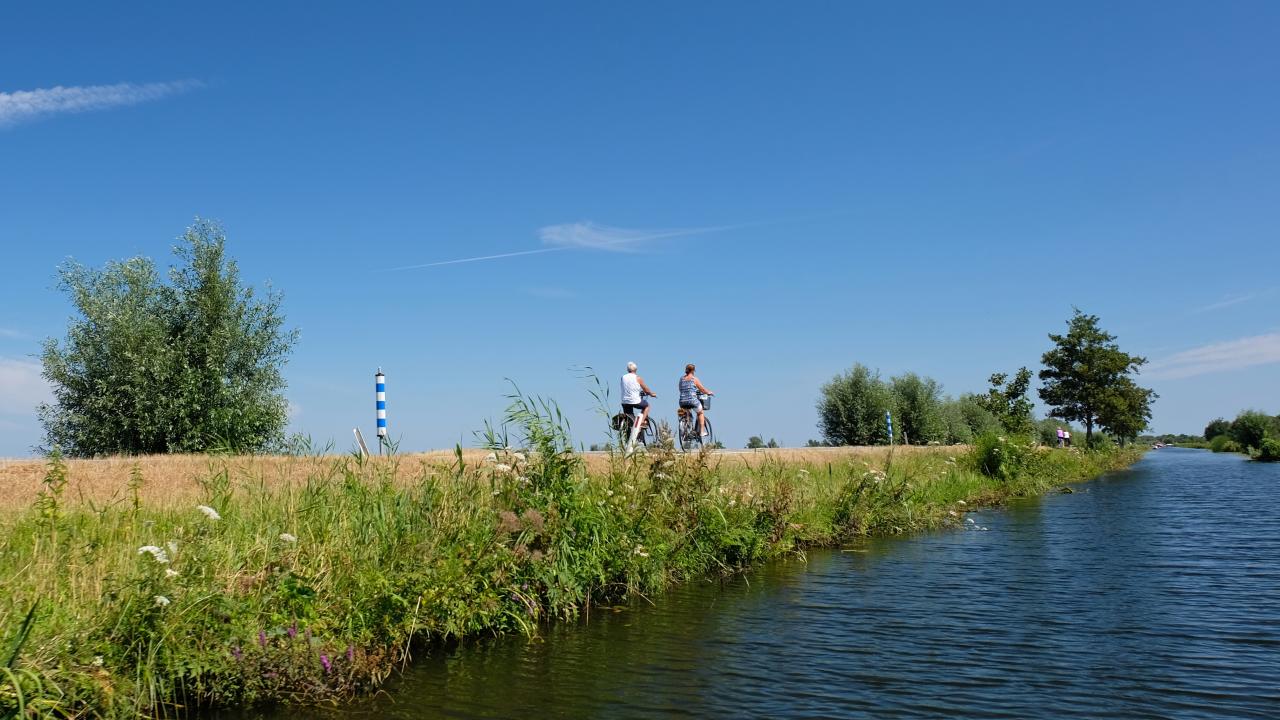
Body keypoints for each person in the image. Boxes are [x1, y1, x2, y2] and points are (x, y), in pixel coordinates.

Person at [620, 362, 656, 451]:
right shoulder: (638, 378)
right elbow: (645, 389)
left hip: (624, 401)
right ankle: (640, 424)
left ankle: (630, 440)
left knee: (630, 420)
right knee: (647, 406)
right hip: (635, 401)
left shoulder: (623, 377)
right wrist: (651, 394)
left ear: (628, 369)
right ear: (636, 370)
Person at [678, 363, 714, 438]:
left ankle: (686, 427)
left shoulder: (681, 379)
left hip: (682, 401)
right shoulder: (694, 379)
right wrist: (709, 392)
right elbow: (702, 389)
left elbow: (680, 389)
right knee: (700, 412)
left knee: (687, 412)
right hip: (692, 400)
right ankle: (702, 431)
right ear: (693, 370)